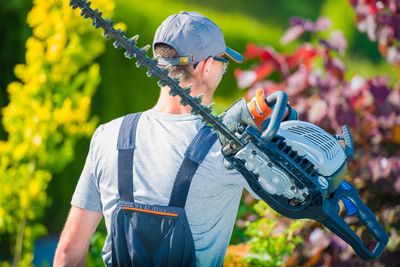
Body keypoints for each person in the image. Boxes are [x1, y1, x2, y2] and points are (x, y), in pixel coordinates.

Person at [53, 11, 294, 267]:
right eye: (222, 63)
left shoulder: (108, 135)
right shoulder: (227, 148)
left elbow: (69, 252)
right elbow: (292, 193)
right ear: (206, 67)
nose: (223, 70)